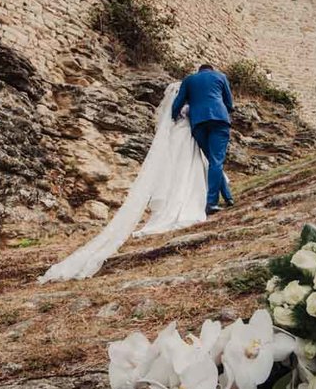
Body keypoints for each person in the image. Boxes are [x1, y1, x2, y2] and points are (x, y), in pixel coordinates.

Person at [38, 79, 210, 283]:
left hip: (178, 137)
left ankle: (179, 201)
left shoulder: (177, 109)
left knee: (179, 171)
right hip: (185, 137)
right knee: (184, 170)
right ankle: (185, 203)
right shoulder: (188, 106)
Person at [171, 64, 234, 214]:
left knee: (213, 161)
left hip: (198, 123)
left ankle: (228, 196)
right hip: (219, 120)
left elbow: (178, 101)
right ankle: (211, 202)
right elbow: (229, 103)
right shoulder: (221, 76)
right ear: (211, 69)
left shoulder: (189, 80)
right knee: (216, 161)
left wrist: (174, 117)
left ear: (199, 70)